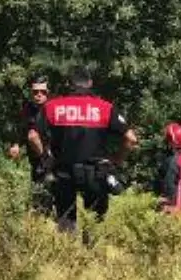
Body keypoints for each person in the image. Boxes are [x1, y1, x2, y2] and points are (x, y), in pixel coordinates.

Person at [29, 66, 139, 233]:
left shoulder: (52, 107)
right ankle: (92, 255)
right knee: (94, 225)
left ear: (68, 84)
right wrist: (117, 159)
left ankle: (67, 255)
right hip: (95, 173)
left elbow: (32, 136)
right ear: (90, 83)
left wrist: (46, 157)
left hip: (63, 172)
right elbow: (131, 138)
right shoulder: (105, 107)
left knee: (66, 225)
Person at [8, 75, 52, 212]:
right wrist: (16, 144)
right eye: (35, 92)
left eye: (42, 92)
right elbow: (22, 128)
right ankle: (39, 222)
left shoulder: (54, 109)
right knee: (38, 193)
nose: (38, 95)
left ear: (48, 92)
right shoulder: (28, 108)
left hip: (52, 158)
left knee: (52, 192)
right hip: (36, 160)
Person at [157, 122, 181, 214]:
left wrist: (170, 207)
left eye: (168, 138)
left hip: (173, 208)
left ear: (172, 142)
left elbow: (171, 185)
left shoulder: (173, 162)